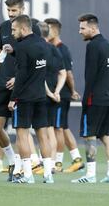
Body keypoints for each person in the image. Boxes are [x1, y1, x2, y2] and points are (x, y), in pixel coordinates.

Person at [0, 0, 41, 181]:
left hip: (22, 86)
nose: (10, 14)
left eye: (14, 10)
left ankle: (31, 166)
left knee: (22, 131)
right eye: (8, 10)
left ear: (22, 9)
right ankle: (13, 161)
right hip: (2, 83)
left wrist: (18, 79)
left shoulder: (32, 27)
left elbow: (35, 60)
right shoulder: (3, 27)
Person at [72, 14, 109, 183]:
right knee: (106, 135)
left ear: (93, 28)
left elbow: (90, 76)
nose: (80, 31)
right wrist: (107, 90)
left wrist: (86, 99)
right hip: (108, 97)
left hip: (94, 99)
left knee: (89, 135)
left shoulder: (93, 46)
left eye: (83, 28)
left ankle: (90, 175)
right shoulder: (108, 45)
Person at [8, 15, 53, 184]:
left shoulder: (22, 47)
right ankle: (48, 175)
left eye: (14, 29)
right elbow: (38, 67)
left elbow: (21, 75)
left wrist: (13, 98)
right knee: (43, 135)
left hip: (24, 97)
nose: (12, 33)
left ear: (24, 29)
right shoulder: (43, 44)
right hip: (40, 95)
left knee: (22, 135)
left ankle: (27, 175)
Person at [44, 18, 84, 173]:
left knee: (58, 128)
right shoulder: (51, 48)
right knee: (63, 127)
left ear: (54, 30)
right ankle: (77, 159)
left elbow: (68, 73)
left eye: (48, 29)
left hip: (61, 94)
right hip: (56, 93)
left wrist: (72, 91)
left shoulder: (61, 49)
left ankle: (58, 163)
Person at [36, 21, 66, 175]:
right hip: (53, 95)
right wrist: (57, 91)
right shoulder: (55, 49)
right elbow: (63, 72)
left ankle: (44, 163)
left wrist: (49, 93)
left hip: (42, 95)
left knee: (43, 131)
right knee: (51, 130)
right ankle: (52, 163)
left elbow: (40, 76)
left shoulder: (39, 49)